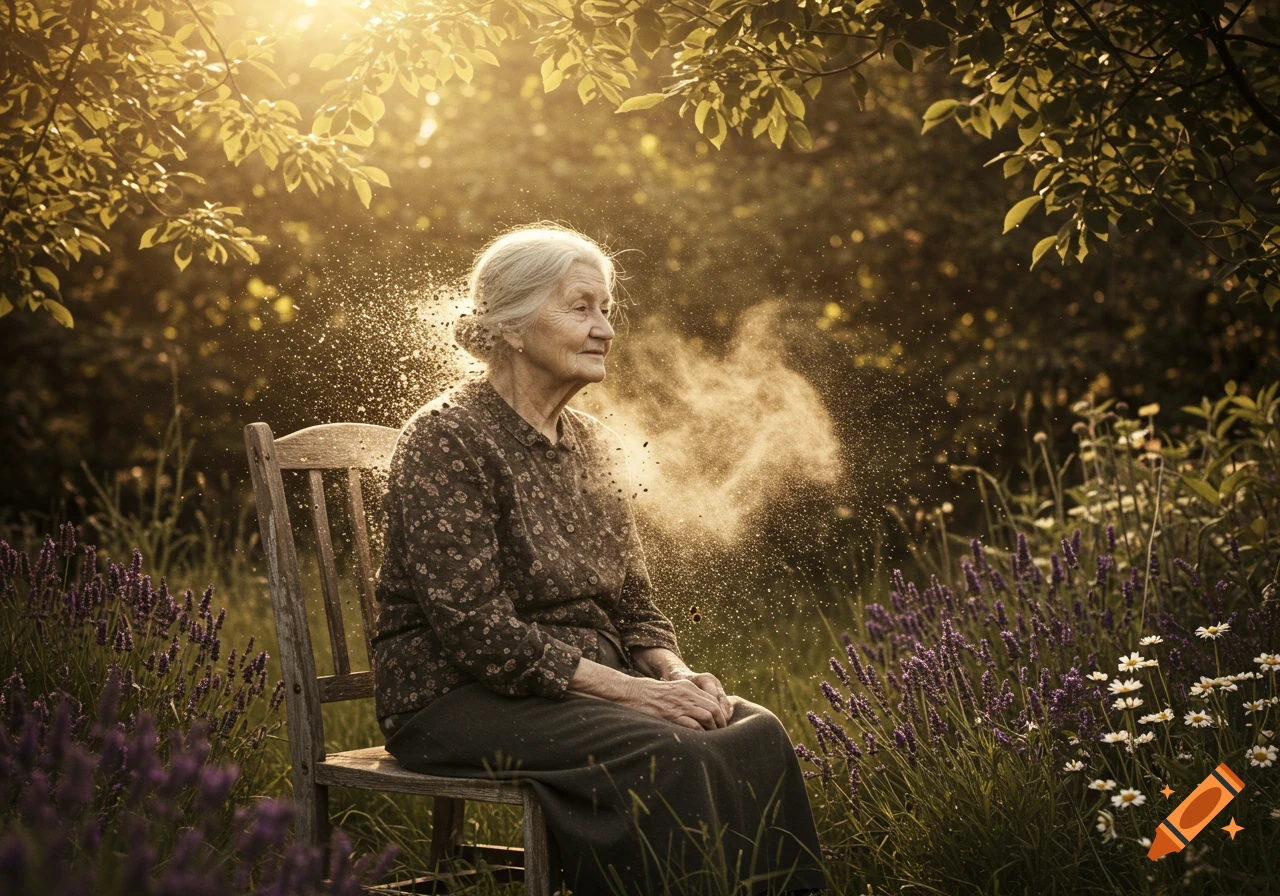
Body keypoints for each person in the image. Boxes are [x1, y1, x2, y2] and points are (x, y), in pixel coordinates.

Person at [371, 222, 826, 895]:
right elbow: (477, 633)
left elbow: (634, 604)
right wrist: (642, 696)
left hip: (574, 685)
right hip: (454, 697)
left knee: (754, 731)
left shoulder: (594, 444)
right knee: (668, 753)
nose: (605, 328)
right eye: (580, 308)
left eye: (607, 310)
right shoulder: (446, 439)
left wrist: (678, 674)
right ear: (516, 328)